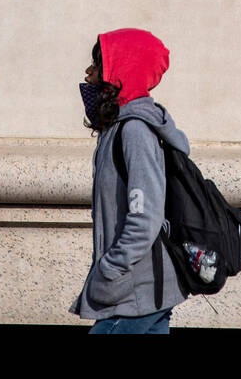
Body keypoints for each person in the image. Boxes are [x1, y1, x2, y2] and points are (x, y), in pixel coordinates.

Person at [70, 28, 190, 335]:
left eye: (97, 64)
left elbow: (145, 217)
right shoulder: (118, 129)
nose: (88, 73)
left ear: (119, 72)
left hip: (133, 295)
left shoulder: (135, 131)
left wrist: (109, 270)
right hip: (139, 295)